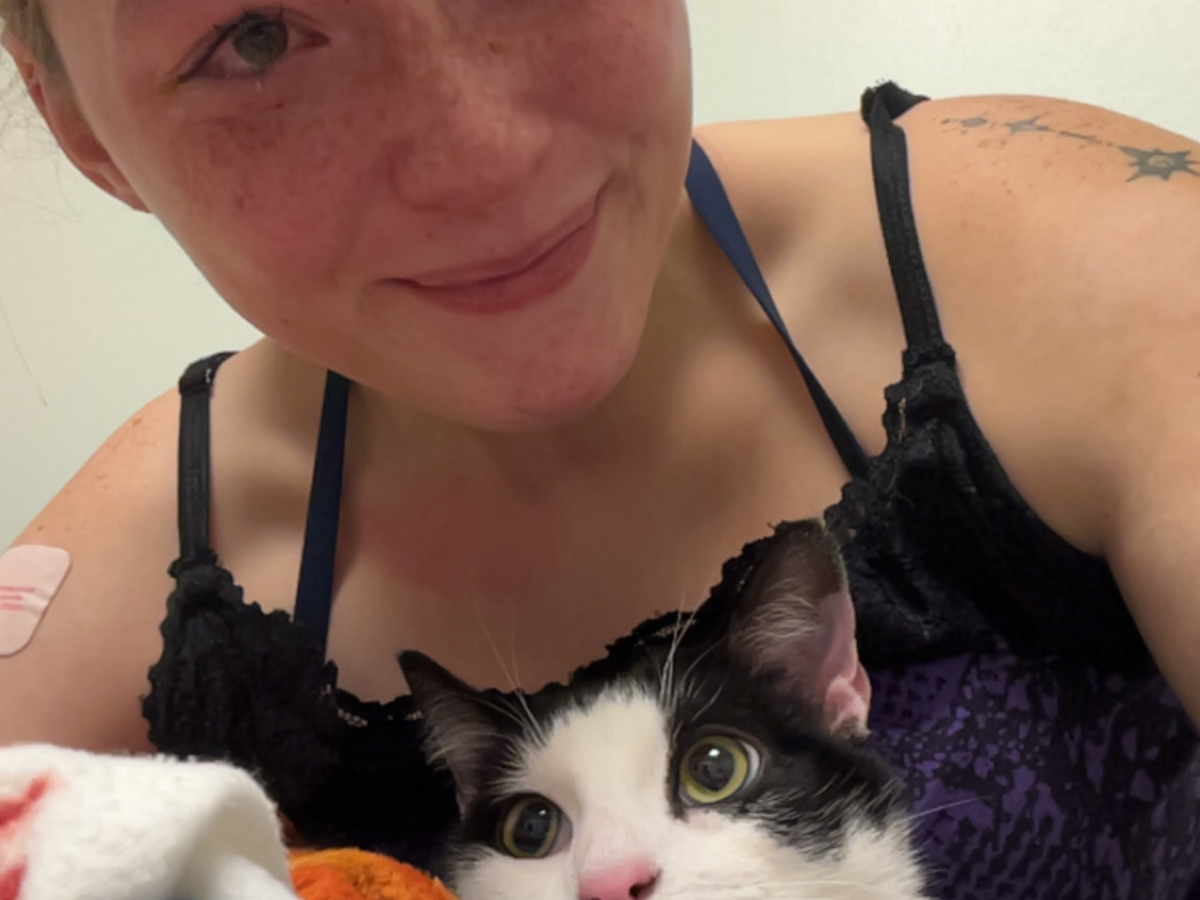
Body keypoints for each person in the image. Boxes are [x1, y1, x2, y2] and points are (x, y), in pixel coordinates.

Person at [2, 0, 1198, 895]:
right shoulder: (110, 597)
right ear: (81, 128)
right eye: (255, 37)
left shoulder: (1085, 247)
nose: (488, 161)